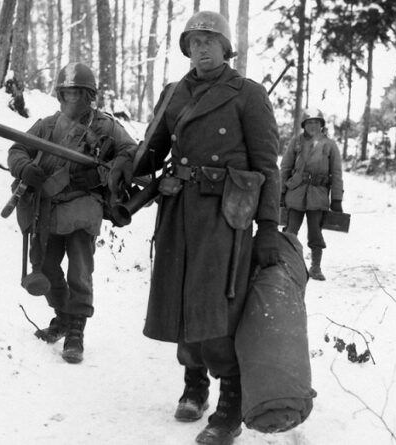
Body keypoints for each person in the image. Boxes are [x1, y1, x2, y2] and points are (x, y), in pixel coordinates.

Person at [109, 10, 282, 445]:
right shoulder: (173, 94)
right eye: (194, 42)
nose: (201, 48)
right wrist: (122, 163)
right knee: (181, 299)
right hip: (178, 209)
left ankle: (230, 402)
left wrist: (269, 228)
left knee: (218, 303)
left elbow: (267, 167)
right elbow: (150, 153)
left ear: (226, 48)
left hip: (227, 215)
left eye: (209, 41)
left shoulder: (248, 94)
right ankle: (194, 384)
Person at [7, 62, 138, 364]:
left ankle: (77, 328)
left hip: (83, 206)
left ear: (90, 96)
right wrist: (25, 168)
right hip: (47, 208)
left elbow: (130, 152)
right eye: (67, 94)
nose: (73, 101)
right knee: (46, 267)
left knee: (80, 269)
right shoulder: (47, 125)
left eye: (79, 94)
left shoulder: (106, 127)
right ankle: (63, 316)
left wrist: (109, 170)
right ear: (59, 96)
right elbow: (17, 149)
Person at [279, 107, 344, 281]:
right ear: (304, 125)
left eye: (316, 122)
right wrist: (280, 192)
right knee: (290, 231)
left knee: (315, 232)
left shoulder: (330, 145)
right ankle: (285, 265)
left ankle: (315, 267)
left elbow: (337, 173)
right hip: (296, 193)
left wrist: (336, 199)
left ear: (322, 125)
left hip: (318, 195)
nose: (312, 125)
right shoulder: (296, 142)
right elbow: (285, 167)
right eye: (309, 122)